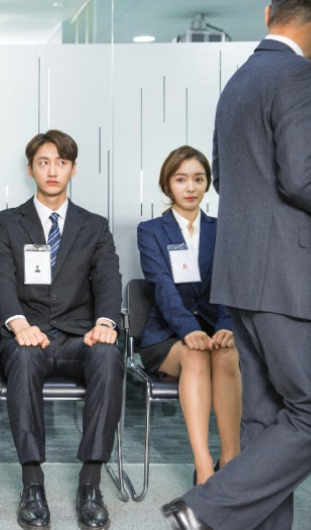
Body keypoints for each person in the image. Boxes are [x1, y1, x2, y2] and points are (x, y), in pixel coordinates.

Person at [161, 2, 311, 530]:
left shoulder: (239, 81)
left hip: (241, 275)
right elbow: (301, 179)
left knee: (266, 420)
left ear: (268, 12)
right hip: (286, 277)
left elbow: (223, 178)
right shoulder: (297, 76)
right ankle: (205, 506)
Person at [0, 129, 123, 530]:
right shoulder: (6, 223)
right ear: (30, 169)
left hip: (81, 337)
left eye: (61, 162)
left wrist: (105, 323)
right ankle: (32, 483)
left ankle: (90, 483)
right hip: (27, 337)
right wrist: (18, 324)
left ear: (72, 169)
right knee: (24, 355)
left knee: (109, 355)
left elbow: (108, 279)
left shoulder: (94, 226)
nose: (52, 170)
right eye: (43, 162)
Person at [138, 147, 241, 487]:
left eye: (198, 179)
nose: (191, 187)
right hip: (166, 337)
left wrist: (226, 326)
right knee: (196, 354)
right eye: (181, 179)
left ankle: (231, 461)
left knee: (225, 352)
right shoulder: (151, 230)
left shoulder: (223, 229)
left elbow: (231, 284)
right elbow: (162, 286)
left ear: (207, 183)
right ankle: (203, 468)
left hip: (214, 330)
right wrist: (189, 329)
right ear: (168, 184)